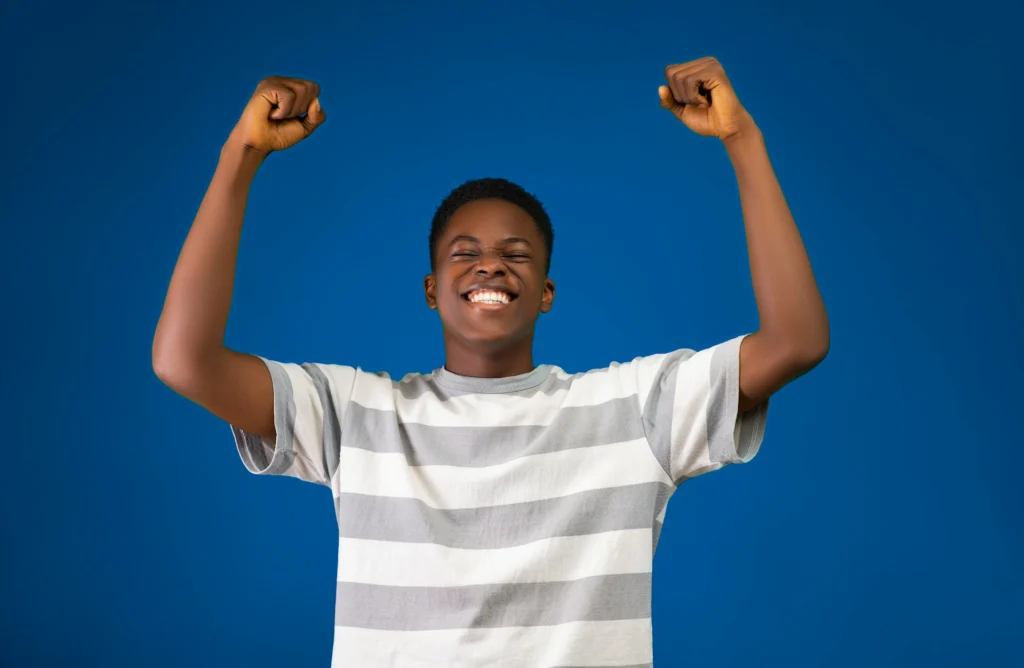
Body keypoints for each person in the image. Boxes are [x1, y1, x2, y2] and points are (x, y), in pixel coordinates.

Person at [153, 56, 829, 667]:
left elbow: (796, 341)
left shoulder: (634, 410)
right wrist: (242, 154)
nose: (490, 266)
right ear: (431, 289)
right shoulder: (354, 413)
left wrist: (742, 140)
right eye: (465, 252)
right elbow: (184, 361)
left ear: (546, 293)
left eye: (516, 254)